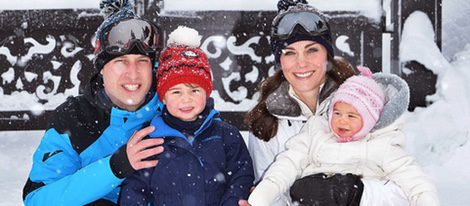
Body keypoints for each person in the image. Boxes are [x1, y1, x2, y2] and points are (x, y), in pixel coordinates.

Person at [241, 0, 410, 205]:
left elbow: (405, 189)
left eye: (312, 50)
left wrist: (351, 193)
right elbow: (270, 194)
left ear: (327, 54)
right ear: (280, 61)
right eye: (290, 53)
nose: (301, 62)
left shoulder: (363, 101)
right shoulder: (267, 122)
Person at [22, 0, 165, 205]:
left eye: (142, 61)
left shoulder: (172, 111)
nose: (132, 74)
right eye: (120, 61)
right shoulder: (74, 118)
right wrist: (114, 168)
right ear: (101, 68)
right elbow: (38, 200)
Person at [248, 69, 440, 206]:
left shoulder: (383, 144)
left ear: (369, 119)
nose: (342, 121)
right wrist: (265, 193)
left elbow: (414, 180)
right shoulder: (317, 132)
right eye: (337, 113)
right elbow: (288, 163)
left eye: (352, 116)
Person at [119, 26, 254, 206]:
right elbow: (134, 188)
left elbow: (241, 175)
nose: (186, 99)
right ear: (163, 98)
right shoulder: (150, 138)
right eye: (176, 92)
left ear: (206, 94)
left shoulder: (225, 136)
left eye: (195, 90)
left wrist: (232, 201)